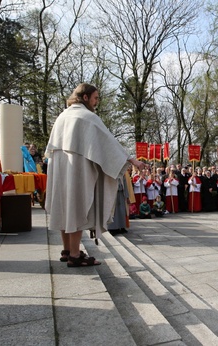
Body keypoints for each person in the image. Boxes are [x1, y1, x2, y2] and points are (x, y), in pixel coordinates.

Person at [45, 83, 145, 267]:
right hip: (75, 170)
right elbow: (109, 143)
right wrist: (132, 160)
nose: (97, 102)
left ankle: (67, 250)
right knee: (76, 207)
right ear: (85, 97)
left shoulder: (62, 116)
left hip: (60, 169)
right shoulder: (87, 117)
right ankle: (75, 255)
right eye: (95, 98)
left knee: (64, 206)